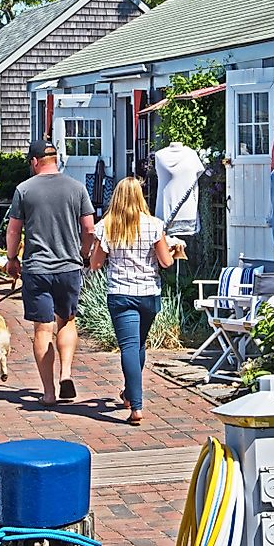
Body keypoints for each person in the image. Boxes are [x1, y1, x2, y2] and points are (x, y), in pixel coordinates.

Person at [5, 139, 95, 406]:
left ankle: (48, 392)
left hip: (37, 268)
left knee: (43, 329)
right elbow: (89, 229)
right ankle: (66, 373)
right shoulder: (77, 188)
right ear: (56, 159)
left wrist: (11, 259)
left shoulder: (24, 190)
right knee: (66, 321)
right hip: (68, 267)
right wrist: (84, 255)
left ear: (34, 162)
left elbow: (13, 230)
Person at [89, 177, 178, 425]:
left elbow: (95, 264)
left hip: (120, 292)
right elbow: (166, 262)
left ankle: (135, 405)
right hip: (148, 292)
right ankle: (130, 395)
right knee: (138, 346)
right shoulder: (153, 225)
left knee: (129, 346)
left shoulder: (107, 226)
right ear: (140, 196)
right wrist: (172, 250)